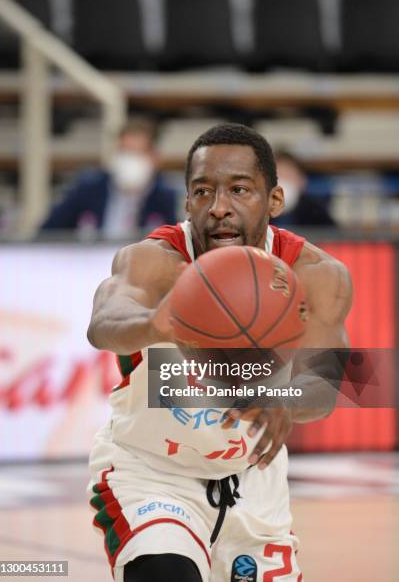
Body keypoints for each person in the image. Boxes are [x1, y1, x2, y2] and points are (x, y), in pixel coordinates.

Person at [87, 123, 352, 582]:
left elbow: (327, 387)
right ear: (187, 201)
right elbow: (102, 326)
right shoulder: (154, 262)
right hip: (152, 472)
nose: (219, 208)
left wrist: (283, 399)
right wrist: (154, 323)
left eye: (240, 190)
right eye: (203, 191)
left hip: (253, 486)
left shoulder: (318, 274)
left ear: (274, 200)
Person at [40, 120, 177, 237]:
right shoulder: (88, 189)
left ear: (155, 158)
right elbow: (46, 233)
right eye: (125, 152)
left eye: (137, 153)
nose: (130, 161)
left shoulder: (164, 197)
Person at [273, 150, 336, 227]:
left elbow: (333, 233)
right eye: (277, 177)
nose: (282, 182)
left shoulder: (314, 211)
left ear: (302, 181)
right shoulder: (259, 211)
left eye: (288, 176)